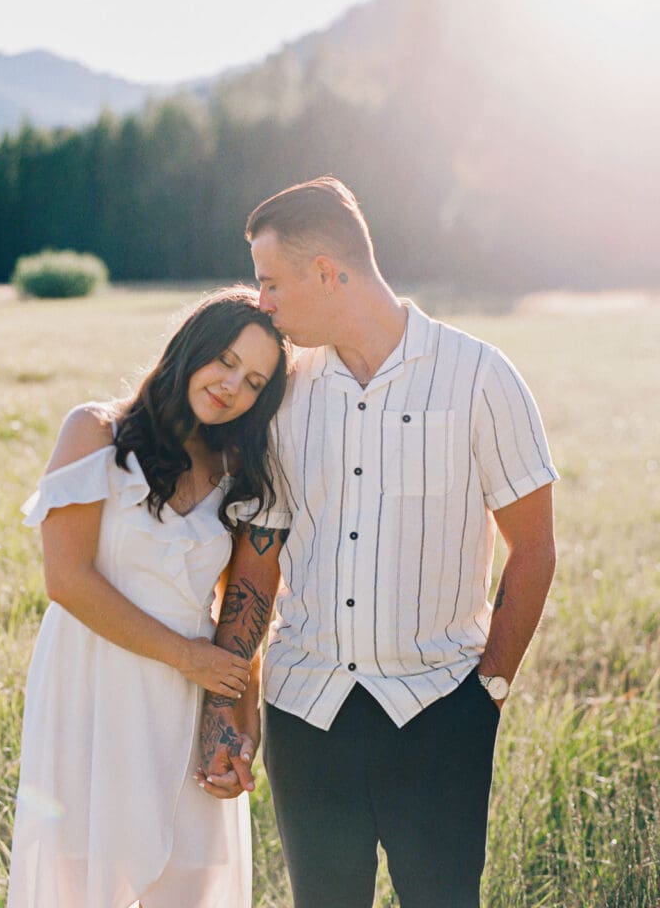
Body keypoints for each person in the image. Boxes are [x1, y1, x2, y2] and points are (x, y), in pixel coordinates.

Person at [197, 178, 559, 908]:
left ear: (328, 272)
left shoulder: (480, 377)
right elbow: (257, 570)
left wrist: (485, 694)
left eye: (272, 282)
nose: (260, 301)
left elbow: (535, 550)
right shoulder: (284, 395)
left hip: (440, 716)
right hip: (307, 716)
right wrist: (225, 711)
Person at [7, 286, 289, 908]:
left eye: (253, 381)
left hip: (185, 699)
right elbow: (68, 580)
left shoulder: (235, 467)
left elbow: (240, 597)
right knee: (82, 877)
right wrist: (189, 658)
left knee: (192, 878)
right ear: (192, 346)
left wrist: (241, 706)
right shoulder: (95, 432)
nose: (231, 386)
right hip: (93, 686)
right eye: (226, 360)